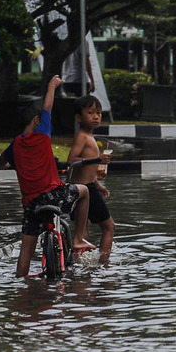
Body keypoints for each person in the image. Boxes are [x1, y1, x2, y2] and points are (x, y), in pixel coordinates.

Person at [10, 76, 96, 278]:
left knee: (26, 249)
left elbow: (4, 164)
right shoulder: (42, 133)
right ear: (36, 121)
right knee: (84, 192)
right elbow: (47, 106)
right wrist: (52, 86)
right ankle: (78, 239)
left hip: (31, 204)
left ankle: (21, 283)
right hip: (53, 195)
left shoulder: (13, 147)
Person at [66, 95, 114, 260]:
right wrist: (97, 160)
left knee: (83, 231)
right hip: (84, 190)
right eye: (90, 112)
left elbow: (87, 170)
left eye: (99, 113)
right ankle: (104, 263)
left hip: (87, 186)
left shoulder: (90, 137)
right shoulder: (82, 136)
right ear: (79, 117)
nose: (96, 116)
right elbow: (71, 160)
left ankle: (77, 264)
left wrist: (98, 185)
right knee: (109, 227)